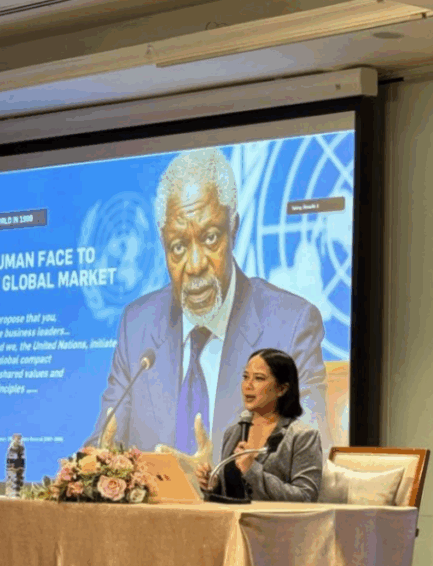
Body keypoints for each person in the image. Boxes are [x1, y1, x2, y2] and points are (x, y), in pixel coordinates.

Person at [87, 147, 331, 461]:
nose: (195, 265)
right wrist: (96, 462)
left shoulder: (292, 326)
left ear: (234, 229)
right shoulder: (137, 326)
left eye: (211, 237)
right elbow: (103, 443)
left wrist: (216, 478)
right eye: (178, 246)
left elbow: (309, 461)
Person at [197, 348, 322, 501]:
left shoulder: (303, 436)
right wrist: (213, 485)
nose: (248, 385)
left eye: (258, 378)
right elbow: (232, 494)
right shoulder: (233, 432)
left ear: (282, 389)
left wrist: (252, 470)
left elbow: (306, 497)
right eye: (245, 377)